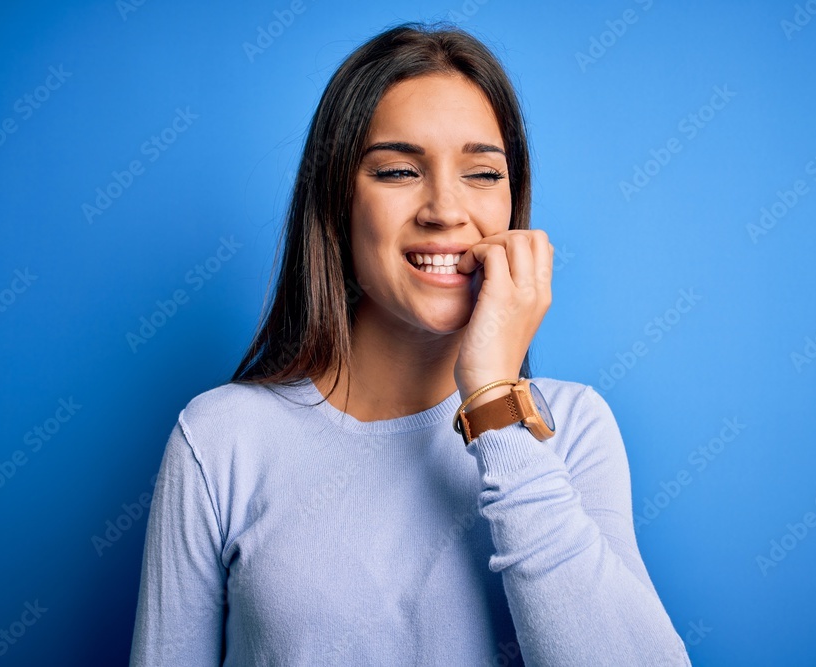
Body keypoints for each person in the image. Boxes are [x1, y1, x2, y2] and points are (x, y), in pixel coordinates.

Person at [129, 21, 691, 666]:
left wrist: (493, 403)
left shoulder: (573, 428)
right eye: (398, 171)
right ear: (338, 202)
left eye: (482, 173)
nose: (445, 209)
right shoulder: (220, 440)